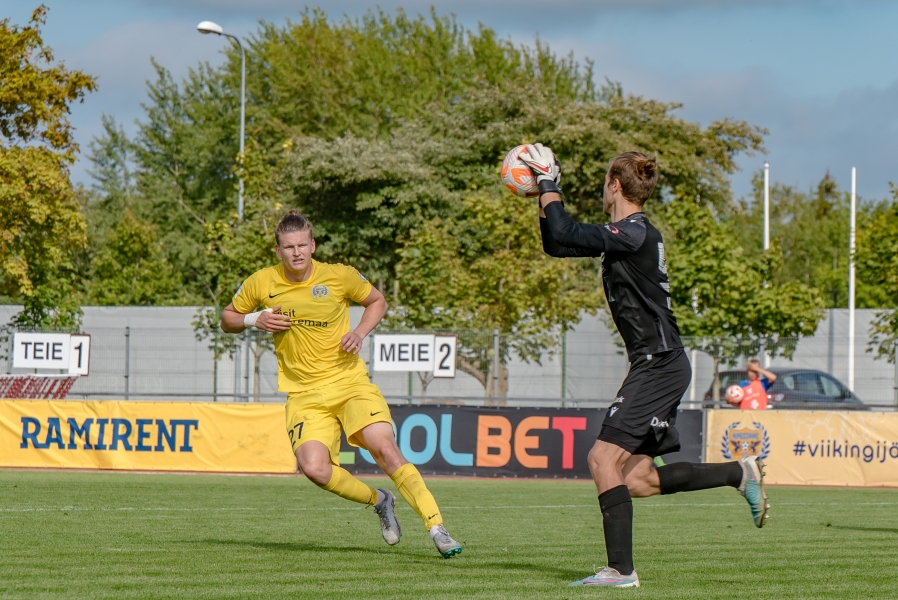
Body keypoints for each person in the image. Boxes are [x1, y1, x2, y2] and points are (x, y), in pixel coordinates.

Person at [519, 145, 769, 588]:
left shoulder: (634, 231)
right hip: (657, 364)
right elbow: (558, 241)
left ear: (615, 185)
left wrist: (548, 181)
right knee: (637, 479)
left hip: (659, 365)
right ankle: (738, 472)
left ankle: (621, 572)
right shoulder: (629, 233)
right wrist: (543, 194)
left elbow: (567, 227)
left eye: (604, 182)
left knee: (601, 458)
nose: (602, 188)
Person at [219, 211, 462, 559]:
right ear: (278, 250)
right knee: (315, 469)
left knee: (384, 448)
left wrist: (359, 332)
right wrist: (252, 318)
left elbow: (377, 301)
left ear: (313, 245)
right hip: (304, 393)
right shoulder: (262, 282)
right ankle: (380, 500)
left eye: (303, 245)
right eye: (289, 247)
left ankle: (437, 528)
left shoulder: (339, 276)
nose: (297, 252)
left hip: (349, 384)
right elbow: (227, 319)